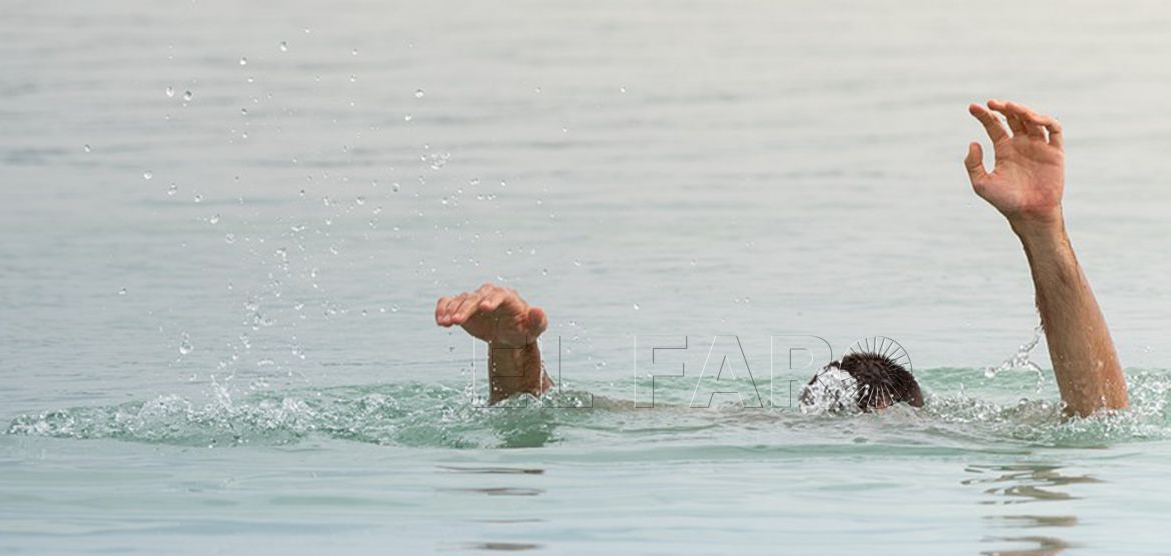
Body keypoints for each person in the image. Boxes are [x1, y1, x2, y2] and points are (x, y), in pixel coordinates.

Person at [435, 100, 1129, 417]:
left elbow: (537, 415)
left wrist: (512, 356)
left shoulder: (746, 425)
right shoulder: (953, 435)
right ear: (909, 413)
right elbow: (1099, 417)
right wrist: (1044, 236)